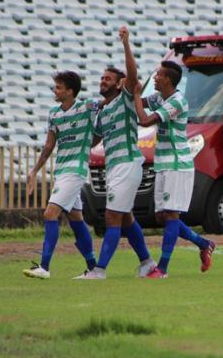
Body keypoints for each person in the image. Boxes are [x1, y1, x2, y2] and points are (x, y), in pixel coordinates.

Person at [74, 26, 155, 280]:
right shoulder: (104, 111)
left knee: (112, 216)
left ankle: (99, 270)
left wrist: (126, 44)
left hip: (128, 164)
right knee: (126, 218)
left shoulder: (126, 99)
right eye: (101, 79)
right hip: (115, 167)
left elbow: (132, 74)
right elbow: (93, 139)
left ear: (119, 84)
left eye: (107, 79)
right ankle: (147, 262)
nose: (102, 82)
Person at [133, 61, 216, 279]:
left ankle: (162, 268)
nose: (155, 78)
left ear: (167, 79)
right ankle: (203, 243)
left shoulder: (177, 101)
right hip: (163, 163)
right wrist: (129, 92)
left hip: (177, 164)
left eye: (158, 75)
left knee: (171, 214)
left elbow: (144, 120)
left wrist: (133, 95)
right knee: (162, 216)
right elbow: (138, 103)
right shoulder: (159, 97)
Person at [23, 71, 99, 279]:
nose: (54, 90)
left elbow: (107, 106)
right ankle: (93, 267)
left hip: (75, 170)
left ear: (70, 91)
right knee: (76, 218)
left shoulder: (87, 107)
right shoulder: (54, 113)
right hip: (62, 170)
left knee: (50, 214)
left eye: (58, 87)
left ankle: (44, 267)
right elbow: (49, 145)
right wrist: (34, 170)